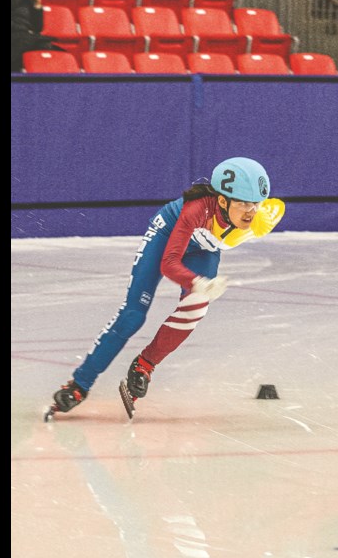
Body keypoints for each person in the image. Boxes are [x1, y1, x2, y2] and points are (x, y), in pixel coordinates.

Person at [44, 157, 286, 420]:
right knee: (133, 315)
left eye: (255, 203)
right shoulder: (196, 210)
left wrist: (199, 290)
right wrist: (197, 282)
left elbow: (276, 207)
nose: (250, 211)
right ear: (222, 201)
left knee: (196, 307)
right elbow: (169, 263)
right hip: (167, 235)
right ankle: (79, 384)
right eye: (242, 203)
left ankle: (145, 365)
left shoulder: (261, 218)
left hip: (203, 249)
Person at [12, 0, 63, 72]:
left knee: (52, 50)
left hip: (22, 39)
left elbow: (37, 28)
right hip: (15, 37)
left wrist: (37, 5)